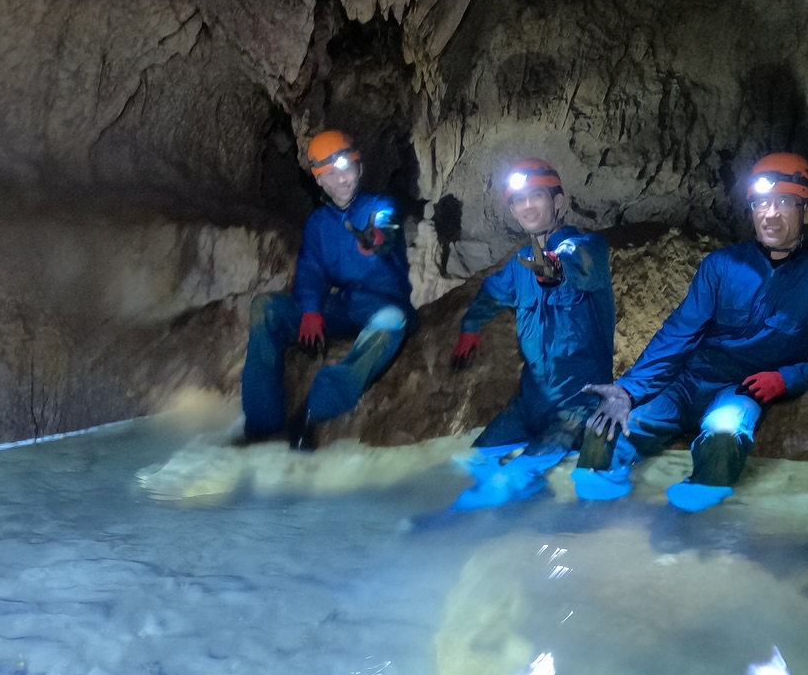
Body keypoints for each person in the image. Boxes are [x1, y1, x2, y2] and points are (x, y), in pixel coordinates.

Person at [580, 152, 808, 512]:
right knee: (603, 433)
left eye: (784, 202)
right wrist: (628, 390)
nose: (770, 214)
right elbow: (677, 335)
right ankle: (589, 523)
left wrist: (789, 378)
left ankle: (690, 533)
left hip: (741, 390)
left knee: (723, 438)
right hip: (686, 384)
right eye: (761, 203)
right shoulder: (721, 266)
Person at [448, 159, 617, 508]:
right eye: (519, 200)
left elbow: (574, 265)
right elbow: (491, 293)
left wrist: (554, 269)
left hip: (576, 405)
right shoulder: (520, 263)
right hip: (530, 404)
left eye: (536, 196)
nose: (527, 206)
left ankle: (453, 527)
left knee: (516, 475)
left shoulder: (588, 247)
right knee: (472, 463)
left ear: (558, 202)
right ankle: (524, 513)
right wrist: (470, 327)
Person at [240, 129, 414, 448]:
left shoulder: (379, 205)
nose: (342, 180)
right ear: (319, 181)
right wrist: (310, 311)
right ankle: (262, 427)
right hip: (344, 306)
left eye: (347, 169)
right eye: (330, 174)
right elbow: (310, 270)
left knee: (391, 321)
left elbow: (386, 228)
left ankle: (315, 410)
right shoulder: (319, 224)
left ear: (360, 168)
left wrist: (374, 239)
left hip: (383, 305)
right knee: (264, 307)